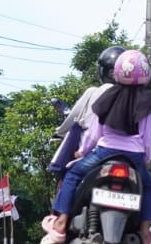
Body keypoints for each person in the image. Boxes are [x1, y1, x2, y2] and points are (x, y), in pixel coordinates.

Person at [41, 49, 151, 244]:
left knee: (72, 175)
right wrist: (146, 158)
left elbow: (94, 133)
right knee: (149, 187)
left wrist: (84, 151)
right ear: (146, 74)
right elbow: (148, 139)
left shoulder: (105, 97)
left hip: (104, 152)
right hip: (134, 158)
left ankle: (61, 222)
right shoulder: (147, 103)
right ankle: (144, 232)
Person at [47, 45, 123, 178]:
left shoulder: (94, 92)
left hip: (98, 153)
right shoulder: (140, 97)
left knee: (71, 177)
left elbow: (88, 129)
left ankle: (61, 200)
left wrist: (81, 150)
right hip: (130, 158)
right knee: (148, 187)